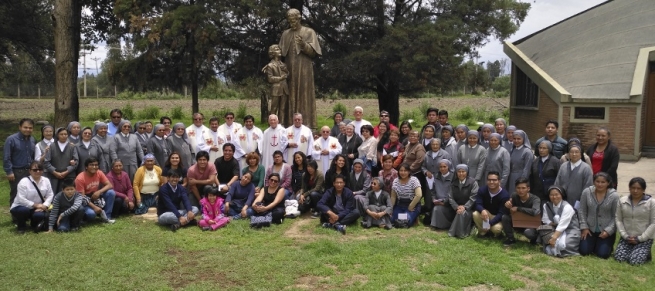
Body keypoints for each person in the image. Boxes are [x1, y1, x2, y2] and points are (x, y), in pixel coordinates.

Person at [279, 8, 322, 129]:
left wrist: (303, 45)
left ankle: (308, 124)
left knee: (304, 94)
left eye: (293, 21)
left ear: (299, 18)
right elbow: (280, 53)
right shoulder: (285, 34)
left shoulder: (309, 32)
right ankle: (288, 124)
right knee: (288, 95)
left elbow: (314, 53)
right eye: (289, 21)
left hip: (304, 69)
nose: (291, 23)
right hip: (288, 70)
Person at [615, 177, 655, 265]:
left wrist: (640, 238)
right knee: (619, 258)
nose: (635, 191)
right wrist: (625, 235)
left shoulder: (651, 203)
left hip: (644, 238)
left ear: (643, 189)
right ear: (629, 188)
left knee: (634, 261)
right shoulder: (622, 201)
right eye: (633, 188)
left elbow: (653, 223)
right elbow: (618, 219)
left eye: (638, 188)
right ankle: (637, 251)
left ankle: (645, 253)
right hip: (627, 237)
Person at [578, 172, 619, 259]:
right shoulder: (587, 192)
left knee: (602, 255)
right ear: (594, 182)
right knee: (584, 251)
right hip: (590, 229)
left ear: (608, 183)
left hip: (605, 230)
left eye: (603, 182)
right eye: (597, 181)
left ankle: (605, 245)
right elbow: (582, 210)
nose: (600, 184)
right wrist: (584, 227)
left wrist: (608, 231)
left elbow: (616, 216)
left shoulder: (614, 196)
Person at [10, 161, 53, 233]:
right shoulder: (23, 182)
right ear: (30, 171)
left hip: (38, 208)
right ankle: (21, 227)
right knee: (23, 210)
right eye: (35, 170)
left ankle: (33, 224)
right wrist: (36, 205)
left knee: (39, 216)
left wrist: (45, 206)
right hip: (21, 206)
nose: (38, 171)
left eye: (40, 169)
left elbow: (50, 194)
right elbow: (21, 199)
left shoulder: (46, 180)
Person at [4, 118, 36, 205]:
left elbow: (33, 156)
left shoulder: (32, 140)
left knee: (29, 193)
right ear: (20, 127)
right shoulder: (11, 139)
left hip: (30, 171)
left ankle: (26, 214)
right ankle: (15, 216)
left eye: (30, 128)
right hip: (17, 172)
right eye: (25, 127)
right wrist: (9, 171)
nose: (28, 130)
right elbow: (7, 157)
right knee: (16, 194)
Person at [542, 186, 580, 257]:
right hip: (555, 228)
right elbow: (545, 219)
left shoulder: (567, 207)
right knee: (548, 239)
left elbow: (563, 225)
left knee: (563, 245)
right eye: (551, 195)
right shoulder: (546, 205)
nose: (554, 197)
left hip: (570, 230)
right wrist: (554, 223)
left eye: (557, 194)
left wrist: (554, 238)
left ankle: (557, 250)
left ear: (561, 195)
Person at [501, 177, 541, 246]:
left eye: (523, 188)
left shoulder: (535, 199)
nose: (520, 190)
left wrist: (518, 208)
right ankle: (511, 239)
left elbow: (535, 212)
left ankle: (534, 239)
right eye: (518, 188)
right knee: (505, 217)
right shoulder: (514, 196)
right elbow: (508, 211)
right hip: (517, 222)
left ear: (528, 189)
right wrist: (507, 206)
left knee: (528, 233)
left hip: (530, 225)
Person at [75, 157, 116, 222]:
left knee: (111, 192)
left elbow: (109, 185)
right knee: (91, 214)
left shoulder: (99, 173)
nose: (94, 167)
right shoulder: (80, 178)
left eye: (96, 165)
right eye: (91, 165)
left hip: (96, 196)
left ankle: (107, 217)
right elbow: (82, 197)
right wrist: (94, 207)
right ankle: (83, 218)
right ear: (86, 167)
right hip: (85, 201)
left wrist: (99, 192)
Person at [554, 143, 593, 207]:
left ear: (581, 154)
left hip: (578, 201)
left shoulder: (586, 168)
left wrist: (581, 201)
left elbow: (588, 187)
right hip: (562, 200)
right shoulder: (563, 166)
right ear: (568, 154)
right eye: (571, 152)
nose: (574, 154)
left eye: (577, 152)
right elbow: (557, 182)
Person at [472, 171, 510, 237]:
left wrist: (490, 223)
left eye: (494, 180)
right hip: (486, 215)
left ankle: (493, 232)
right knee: (475, 214)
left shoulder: (504, 195)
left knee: (496, 229)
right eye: (489, 180)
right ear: (487, 181)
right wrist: (482, 210)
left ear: (499, 181)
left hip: (497, 217)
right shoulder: (482, 190)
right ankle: (483, 232)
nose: (491, 182)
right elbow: (477, 204)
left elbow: (501, 213)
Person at [44, 127, 78, 193]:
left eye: (65, 134)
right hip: (54, 176)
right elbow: (46, 162)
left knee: (68, 195)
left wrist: (66, 172)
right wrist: (55, 172)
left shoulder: (72, 147)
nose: (63, 136)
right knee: (53, 195)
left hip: (69, 176)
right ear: (57, 135)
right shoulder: (51, 146)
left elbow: (76, 161)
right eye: (61, 134)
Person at [448, 164, 479, 238]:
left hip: (469, 208)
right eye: (459, 171)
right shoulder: (453, 183)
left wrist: (464, 207)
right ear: (456, 173)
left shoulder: (473, 183)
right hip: (456, 207)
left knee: (461, 213)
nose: (461, 174)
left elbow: (473, 197)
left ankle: (459, 233)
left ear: (467, 172)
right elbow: (450, 197)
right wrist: (456, 207)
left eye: (463, 171)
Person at [263, 44, 291, 125]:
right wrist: (280, 78)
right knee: (274, 108)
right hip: (276, 89)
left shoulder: (283, 64)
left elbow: (287, 75)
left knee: (282, 108)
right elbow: (270, 78)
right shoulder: (270, 65)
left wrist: (286, 71)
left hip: (284, 88)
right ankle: (271, 124)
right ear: (272, 52)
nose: (279, 51)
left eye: (279, 49)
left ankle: (281, 124)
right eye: (277, 49)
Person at [390, 163, 423, 228]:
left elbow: (419, 195)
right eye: (401, 171)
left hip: (412, 206)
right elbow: (393, 197)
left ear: (409, 171)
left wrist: (411, 206)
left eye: (405, 171)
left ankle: (413, 217)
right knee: (392, 219)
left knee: (405, 221)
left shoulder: (414, 180)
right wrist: (390, 209)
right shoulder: (395, 181)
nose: (403, 172)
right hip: (400, 205)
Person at [430, 159, 455, 230]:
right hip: (438, 201)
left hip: (449, 203)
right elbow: (433, 191)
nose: (442, 168)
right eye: (440, 167)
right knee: (436, 208)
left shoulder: (453, 177)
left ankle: (438, 225)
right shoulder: (436, 176)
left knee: (437, 209)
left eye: (445, 166)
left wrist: (444, 202)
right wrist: (434, 199)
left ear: (449, 167)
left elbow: (452, 192)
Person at [508, 130, 533, 195]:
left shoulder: (527, 152)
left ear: (523, 139)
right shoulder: (513, 150)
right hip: (511, 177)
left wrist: (522, 182)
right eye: (514, 139)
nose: (516, 141)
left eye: (519, 139)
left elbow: (527, 169)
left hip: (521, 177)